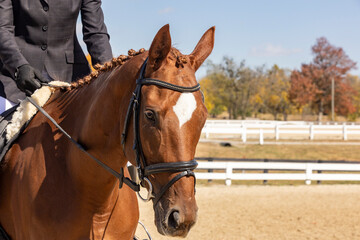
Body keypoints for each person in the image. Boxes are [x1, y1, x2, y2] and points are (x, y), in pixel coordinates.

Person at [0, 0, 113, 113]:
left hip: (71, 81)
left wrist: (110, 74)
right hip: (16, 81)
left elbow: (96, 33)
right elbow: (3, 29)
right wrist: (19, 66)